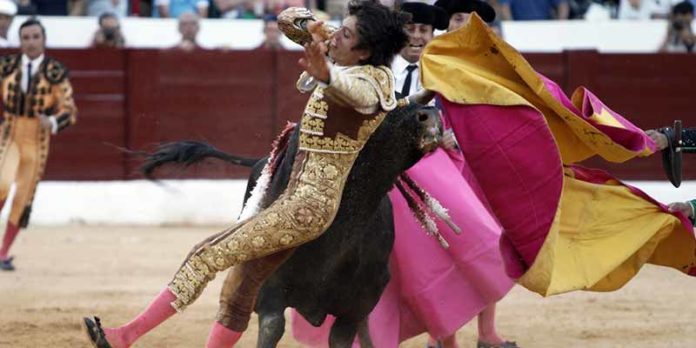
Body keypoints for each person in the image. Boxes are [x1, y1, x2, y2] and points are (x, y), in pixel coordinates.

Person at [82, 2, 410, 347]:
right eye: (341, 30)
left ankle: (125, 337)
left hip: (305, 209)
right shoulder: (348, 53)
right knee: (245, 284)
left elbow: (355, 92)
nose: (338, 37)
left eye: (347, 34)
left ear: (365, 51)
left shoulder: (373, 83)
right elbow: (286, 19)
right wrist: (317, 26)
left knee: (206, 254)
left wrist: (328, 74)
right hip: (297, 199)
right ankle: (126, 336)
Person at [418, 3, 696, 301]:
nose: (463, 24)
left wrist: (690, 201)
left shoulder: (487, 64)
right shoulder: (442, 63)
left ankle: (470, 334)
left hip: (482, 174)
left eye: (467, 19)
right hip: (453, 175)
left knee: (472, 253)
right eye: (457, 18)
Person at [292, 2, 518, 348]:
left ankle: (471, 335)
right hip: (381, 174)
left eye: (423, 31)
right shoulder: (376, 65)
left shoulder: (445, 68)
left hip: (441, 172)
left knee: (466, 242)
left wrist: (451, 135)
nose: (416, 36)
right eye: (410, 30)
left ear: (432, 35)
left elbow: (467, 113)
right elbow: (325, 87)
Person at [0, 18, 78, 271]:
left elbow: (70, 109)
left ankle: (2, 254)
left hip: (37, 139)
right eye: (26, 37)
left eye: (35, 36)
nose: (31, 42)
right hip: (9, 132)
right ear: (19, 41)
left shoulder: (55, 72)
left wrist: (53, 121)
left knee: (23, 199)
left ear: (43, 39)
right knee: (1, 183)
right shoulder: (6, 66)